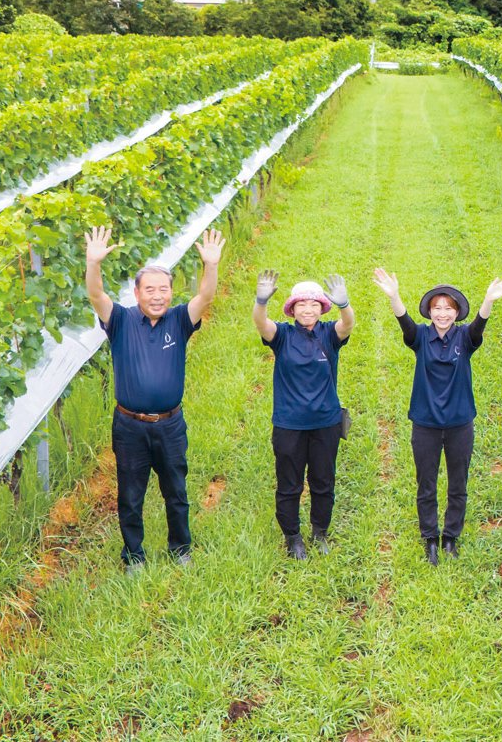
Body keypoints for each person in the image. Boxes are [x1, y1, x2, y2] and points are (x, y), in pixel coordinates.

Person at [84, 224, 226, 573]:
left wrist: (211, 265)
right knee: (130, 495)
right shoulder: (119, 320)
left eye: (164, 289)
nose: (158, 295)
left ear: (172, 292)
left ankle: (180, 548)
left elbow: (205, 297)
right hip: (130, 426)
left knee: (176, 491)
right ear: (137, 293)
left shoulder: (179, 319)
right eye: (150, 289)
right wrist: (93, 263)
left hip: (170, 424)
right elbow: (96, 295)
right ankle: (134, 555)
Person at [373, 268, 502, 564]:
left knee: (457, 483)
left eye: (448, 308)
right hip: (424, 423)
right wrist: (395, 296)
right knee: (426, 483)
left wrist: (488, 300)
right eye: (437, 308)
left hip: (459, 423)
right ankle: (430, 538)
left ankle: (450, 536)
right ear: (429, 311)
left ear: (457, 313)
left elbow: (478, 327)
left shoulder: (465, 338)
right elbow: (406, 325)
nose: (442, 313)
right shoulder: (421, 337)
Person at [253, 273, 354, 559]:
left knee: (323, 481)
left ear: (322, 308)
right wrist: (261, 301)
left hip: (326, 423)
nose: (307, 310)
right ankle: (293, 537)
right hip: (289, 425)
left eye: (313, 304)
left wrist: (344, 304)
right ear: (292, 309)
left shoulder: (329, 335)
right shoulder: (282, 335)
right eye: (301, 305)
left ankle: (319, 531)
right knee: (289, 483)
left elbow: (348, 324)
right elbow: (261, 322)